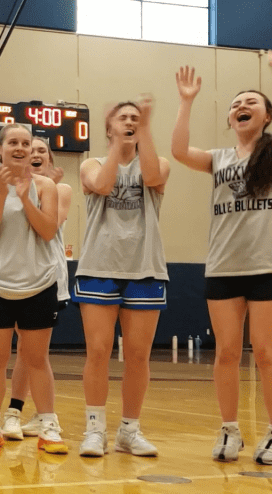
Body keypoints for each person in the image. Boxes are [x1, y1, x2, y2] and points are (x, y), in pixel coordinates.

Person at [172, 65, 272, 464]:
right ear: (231, 119)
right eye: (235, 104)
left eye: (251, 102)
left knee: (265, 352)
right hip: (223, 267)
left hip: (265, 266)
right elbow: (179, 151)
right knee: (227, 352)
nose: (241, 106)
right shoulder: (218, 159)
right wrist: (186, 101)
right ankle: (230, 429)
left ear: (267, 116)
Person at [73, 97, 170, 458]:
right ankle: (95, 429)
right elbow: (102, 185)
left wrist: (142, 132)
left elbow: (153, 178)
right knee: (98, 351)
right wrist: (118, 144)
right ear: (109, 126)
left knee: (138, 355)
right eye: (123, 118)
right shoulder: (91, 164)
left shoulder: (158, 162)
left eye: (136, 118)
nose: (130, 121)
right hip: (99, 266)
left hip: (145, 267)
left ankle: (129, 430)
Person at [0, 123, 67, 454]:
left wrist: (26, 198)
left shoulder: (46, 186)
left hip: (38, 282)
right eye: (13, 142)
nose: (21, 148)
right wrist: (1, 194)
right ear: (0, 149)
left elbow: (48, 231)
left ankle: (48, 425)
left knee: (36, 358)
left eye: (26, 143)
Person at [2, 137, 73, 440]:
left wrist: (44, 188)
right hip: (16, 275)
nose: (36, 153)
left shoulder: (60, 189)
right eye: (32, 150)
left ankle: (20, 412)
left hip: (47, 276)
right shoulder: (8, 189)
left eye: (42, 150)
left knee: (32, 351)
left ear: (50, 159)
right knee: (26, 350)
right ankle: (32, 413)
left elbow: (50, 226)